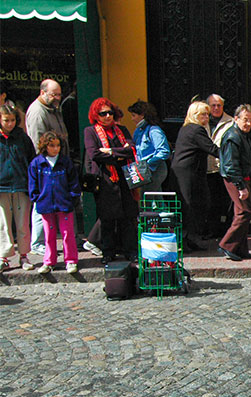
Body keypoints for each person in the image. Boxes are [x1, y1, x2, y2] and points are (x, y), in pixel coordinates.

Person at [84, 98, 138, 264]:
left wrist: (110, 152)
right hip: (105, 179)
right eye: (103, 113)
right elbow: (94, 154)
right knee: (107, 218)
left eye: (110, 113)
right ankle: (108, 252)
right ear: (96, 115)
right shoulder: (90, 131)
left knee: (128, 217)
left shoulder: (121, 130)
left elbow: (131, 151)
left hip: (124, 178)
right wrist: (118, 154)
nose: (107, 116)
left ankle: (130, 251)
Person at [25, 79, 68, 256]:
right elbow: (37, 142)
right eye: (54, 94)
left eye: (59, 94)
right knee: (41, 202)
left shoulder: (53, 108)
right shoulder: (37, 112)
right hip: (45, 164)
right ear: (43, 92)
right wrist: (46, 163)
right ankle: (37, 242)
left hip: (56, 161)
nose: (57, 97)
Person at [28, 131, 81, 274]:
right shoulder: (37, 163)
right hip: (46, 204)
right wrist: (36, 198)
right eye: (52, 145)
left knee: (67, 233)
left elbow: (73, 181)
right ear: (45, 146)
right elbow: (33, 184)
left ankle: (70, 260)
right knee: (49, 234)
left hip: (64, 204)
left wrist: (72, 196)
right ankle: (49, 261)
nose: (55, 148)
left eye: (57, 145)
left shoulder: (65, 162)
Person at [217, 104, 251, 261]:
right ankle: (227, 244)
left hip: (241, 177)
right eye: (245, 120)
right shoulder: (232, 137)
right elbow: (230, 166)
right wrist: (241, 186)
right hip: (235, 179)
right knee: (245, 212)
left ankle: (241, 249)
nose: (249, 123)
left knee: (242, 212)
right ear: (236, 119)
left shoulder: (241, 135)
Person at [172, 101, 219, 251]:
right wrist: (231, 153)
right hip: (187, 173)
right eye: (203, 114)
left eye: (207, 114)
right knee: (189, 204)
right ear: (195, 115)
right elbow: (211, 148)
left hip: (189, 172)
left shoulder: (187, 128)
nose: (207, 117)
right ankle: (185, 239)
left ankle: (190, 238)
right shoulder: (196, 129)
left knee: (198, 203)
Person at [0, 105, 36, 272]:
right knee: (3, 224)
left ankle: (24, 255)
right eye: (6, 120)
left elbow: (31, 160)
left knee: (22, 224)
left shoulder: (22, 138)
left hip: (21, 185)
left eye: (13, 120)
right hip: (2, 186)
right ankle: (3, 256)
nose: (10, 124)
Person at [205, 94, 235, 238]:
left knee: (225, 201)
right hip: (206, 168)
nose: (216, 108)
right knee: (209, 201)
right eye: (213, 105)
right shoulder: (202, 121)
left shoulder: (230, 122)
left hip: (222, 167)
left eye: (219, 105)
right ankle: (211, 229)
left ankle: (226, 230)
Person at [128, 100, 170, 193]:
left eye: (133, 115)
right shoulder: (138, 131)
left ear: (142, 115)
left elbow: (164, 152)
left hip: (155, 170)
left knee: (147, 198)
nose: (132, 119)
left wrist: (148, 163)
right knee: (155, 199)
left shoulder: (154, 130)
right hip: (144, 170)